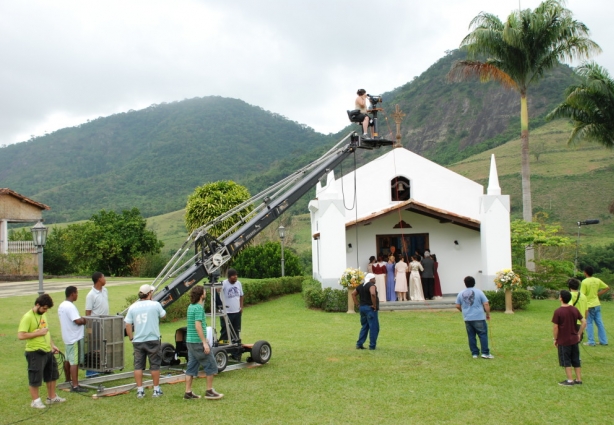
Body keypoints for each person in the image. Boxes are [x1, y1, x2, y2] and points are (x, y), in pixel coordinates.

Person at [18, 294, 66, 409]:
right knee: (35, 376)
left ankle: (52, 397)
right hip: (35, 352)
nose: (45, 311)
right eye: (44, 308)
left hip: (47, 350)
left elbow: (46, 332)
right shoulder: (27, 317)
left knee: (52, 374)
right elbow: (21, 335)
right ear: (37, 305)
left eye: (47, 309)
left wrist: (52, 345)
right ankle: (35, 401)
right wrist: (38, 333)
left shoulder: (43, 315)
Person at [124, 284, 166, 398]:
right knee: (155, 365)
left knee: (138, 366)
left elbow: (127, 324)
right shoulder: (155, 305)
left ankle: (140, 390)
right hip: (153, 339)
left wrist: (131, 338)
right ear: (149, 294)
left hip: (138, 341)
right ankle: (156, 390)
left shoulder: (133, 307)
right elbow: (163, 315)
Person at [184, 286, 224, 400]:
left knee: (191, 367)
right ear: (201, 295)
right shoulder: (198, 308)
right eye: (205, 292)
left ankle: (188, 392)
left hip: (190, 342)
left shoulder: (190, 307)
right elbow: (198, 326)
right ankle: (209, 391)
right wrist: (204, 342)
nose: (206, 293)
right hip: (197, 342)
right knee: (211, 364)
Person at [552, 290, 586, 386]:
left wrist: (555, 339)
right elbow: (584, 322)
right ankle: (579, 379)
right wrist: (579, 333)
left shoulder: (558, 311)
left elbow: (555, 327)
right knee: (575, 359)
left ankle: (570, 380)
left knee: (566, 360)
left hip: (564, 340)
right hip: (574, 339)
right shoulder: (574, 309)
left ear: (561, 298)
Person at [57, 286, 88, 393]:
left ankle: (67, 379)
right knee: (74, 361)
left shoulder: (61, 305)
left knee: (67, 359)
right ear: (72, 294)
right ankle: (75, 386)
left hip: (67, 336)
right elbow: (77, 321)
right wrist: (84, 320)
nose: (77, 295)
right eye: (76, 293)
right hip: (74, 337)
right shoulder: (70, 306)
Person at [455, 276, 493, 359]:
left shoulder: (461, 293)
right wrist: (487, 314)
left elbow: (457, 305)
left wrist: (463, 310)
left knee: (471, 336)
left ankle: (474, 353)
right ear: (474, 283)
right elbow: (486, 304)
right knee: (482, 334)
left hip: (467, 318)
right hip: (479, 317)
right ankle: (485, 353)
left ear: (465, 284)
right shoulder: (479, 292)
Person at [85, 271, 109, 377]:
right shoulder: (91, 295)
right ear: (99, 279)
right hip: (95, 323)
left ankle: (104, 367)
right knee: (95, 346)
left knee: (105, 345)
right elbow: (88, 313)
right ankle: (91, 370)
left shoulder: (105, 290)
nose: (105, 279)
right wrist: (89, 328)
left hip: (106, 322)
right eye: (104, 277)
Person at [580, 266, 609, 346]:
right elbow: (607, 288)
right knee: (599, 323)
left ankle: (591, 341)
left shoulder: (584, 282)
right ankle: (604, 341)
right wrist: (598, 294)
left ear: (585, 272)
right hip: (597, 304)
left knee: (589, 323)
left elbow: (582, 295)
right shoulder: (597, 280)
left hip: (589, 305)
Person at [351, 273, 379, 350]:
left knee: (365, 326)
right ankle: (372, 346)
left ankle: (359, 344)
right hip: (370, 309)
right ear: (371, 279)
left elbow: (353, 294)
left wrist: (357, 305)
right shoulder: (371, 285)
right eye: (374, 278)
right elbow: (373, 293)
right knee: (374, 327)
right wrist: (374, 305)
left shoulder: (361, 286)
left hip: (362, 308)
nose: (375, 280)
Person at [219, 269, 244, 343]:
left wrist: (241, 307)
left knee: (236, 331)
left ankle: (236, 352)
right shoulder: (224, 283)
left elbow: (241, 295)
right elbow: (217, 290)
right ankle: (223, 348)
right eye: (234, 275)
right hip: (226, 313)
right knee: (225, 331)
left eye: (236, 275)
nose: (236, 277)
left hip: (237, 312)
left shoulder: (238, 283)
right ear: (229, 277)